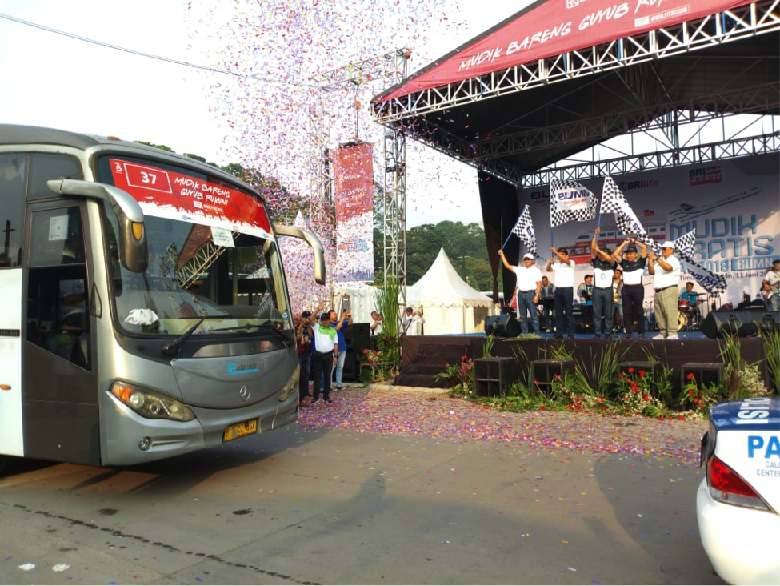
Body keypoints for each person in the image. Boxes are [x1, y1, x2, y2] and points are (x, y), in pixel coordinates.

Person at [613, 238, 651, 339]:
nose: (629, 255)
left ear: (636, 254)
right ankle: (628, 332)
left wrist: (635, 242)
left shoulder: (640, 262)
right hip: (626, 289)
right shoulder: (624, 263)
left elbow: (644, 247)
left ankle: (641, 332)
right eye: (627, 254)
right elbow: (615, 254)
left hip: (637, 288)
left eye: (631, 253)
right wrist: (624, 243)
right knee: (626, 312)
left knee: (639, 311)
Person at [499, 250, 542, 335]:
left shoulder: (536, 270)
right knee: (522, 316)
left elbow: (539, 284)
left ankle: (537, 333)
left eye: (528, 259)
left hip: (531, 293)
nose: (527, 261)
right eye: (525, 259)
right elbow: (507, 266)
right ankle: (524, 333)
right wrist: (502, 255)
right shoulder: (520, 269)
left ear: (532, 261)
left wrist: (537, 295)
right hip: (521, 294)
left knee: (533, 315)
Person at [649, 241, 682, 339]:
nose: (662, 251)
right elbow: (651, 272)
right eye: (662, 249)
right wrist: (650, 260)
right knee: (659, 313)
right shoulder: (660, 261)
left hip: (669, 289)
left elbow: (668, 268)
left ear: (671, 250)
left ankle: (672, 333)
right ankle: (662, 332)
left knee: (670, 311)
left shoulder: (674, 260)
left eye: (665, 249)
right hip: (658, 290)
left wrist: (657, 259)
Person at [590, 228, 617, 338]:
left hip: (608, 290)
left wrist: (600, 251)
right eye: (600, 254)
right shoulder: (596, 262)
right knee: (596, 313)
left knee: (608, 313)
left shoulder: (612, 264)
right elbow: (592, 249)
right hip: (597, 290)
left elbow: (609, 258)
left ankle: (608, 333)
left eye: (603, 254)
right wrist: (595, 235)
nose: (601, 256)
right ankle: (597, 333)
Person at [546, 247, 575, 339]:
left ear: (567, 255)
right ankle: (559, 333)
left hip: (567, 290)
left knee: (568, 313)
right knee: (558, 313)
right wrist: (550, 262)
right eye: (559, 254)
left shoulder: (571, 263)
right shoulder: (557, 265)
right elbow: (548, 269)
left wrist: (555, 252)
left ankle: (570, 334)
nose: (560, 256)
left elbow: (564, 260)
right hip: (558, 290)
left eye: (562, 254)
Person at [311, 312, 337, 404]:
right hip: (318, 355)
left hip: (329, 355)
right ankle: (315, 396)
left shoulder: (333, 331)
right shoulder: (317, 328)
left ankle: (326, 396)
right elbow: (311, 319)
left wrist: (336, 356)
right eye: (324, 320)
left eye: (327, 320)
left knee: (327, 376)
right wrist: (317, 309)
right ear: (321, 321)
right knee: (317, 377)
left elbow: (335, 344)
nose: (325, 322)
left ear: (329, 320)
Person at [330, 309, 352, 390]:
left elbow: (350, 323)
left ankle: (339, 385)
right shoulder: (329, 325)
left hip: (343, 348)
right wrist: (342, 318)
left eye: (336, 314)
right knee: (332, 368)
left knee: (340, 367)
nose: (335, 315)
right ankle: (330, 386)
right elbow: (337, 328)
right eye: (333, 314)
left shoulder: (338, 323)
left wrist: (349, 316)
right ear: (329, 316)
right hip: (334, 350)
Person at [295, 311, 313, 401]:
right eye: (296, 319)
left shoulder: (306, 326)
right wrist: (301, 324)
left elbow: (311, 336)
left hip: (306, 354)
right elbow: (297, 336)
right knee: (298, 375)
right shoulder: (294, 327)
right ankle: (298, 395)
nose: (297, 321)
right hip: (298, 355)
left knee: (306, 374)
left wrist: (308, 324)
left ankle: (305, 392)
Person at [612, 268, 624, 333]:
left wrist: (618, 294)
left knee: (622, 315)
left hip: (620, 300)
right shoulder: (610, 282)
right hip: (611, 301)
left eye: (617, 273)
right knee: (611, 315)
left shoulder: (623, 282)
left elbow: (624, 291)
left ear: (620, 275)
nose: (615, 274)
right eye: (615, 273)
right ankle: (613, 328)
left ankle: (622, 327)